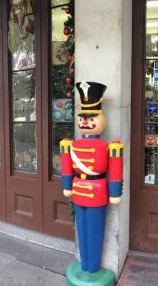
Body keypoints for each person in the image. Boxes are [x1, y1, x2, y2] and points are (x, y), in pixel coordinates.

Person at [60, 81, 124, 284]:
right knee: (82, 229)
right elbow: (67, 166)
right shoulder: (71, 144)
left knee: (95, 231)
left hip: (97, 192)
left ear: (100, 118)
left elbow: (115, 170)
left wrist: (115, 192)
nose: (85, 122)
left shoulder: (110, 146)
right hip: (79, 190)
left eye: (91, 118)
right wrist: (66, 185)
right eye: (82, 118)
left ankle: (93, 267)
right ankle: (85, 264)